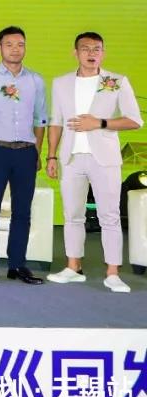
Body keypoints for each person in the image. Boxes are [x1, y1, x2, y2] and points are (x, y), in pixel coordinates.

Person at [46, 32, 142, 293]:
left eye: (97, 49)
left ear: (103, 53)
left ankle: (113, 273)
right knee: (72, 215)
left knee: (109, 215)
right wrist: (52, 155)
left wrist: (99, 123)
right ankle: (73, 267)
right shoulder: (61, 83)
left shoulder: (117, 81)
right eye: (85, 48)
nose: (91, 53)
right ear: (75, 52)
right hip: (71, 158)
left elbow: (134, 120)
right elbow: (55, 122)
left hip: (105, 159)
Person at [0, 26, 47, 285]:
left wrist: (37, 150)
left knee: (22, 211)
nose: (15, 49)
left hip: (25, 152)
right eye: (9, 44)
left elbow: (40, 119)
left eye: (20, 44)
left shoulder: (36, 80)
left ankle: (17, 264)